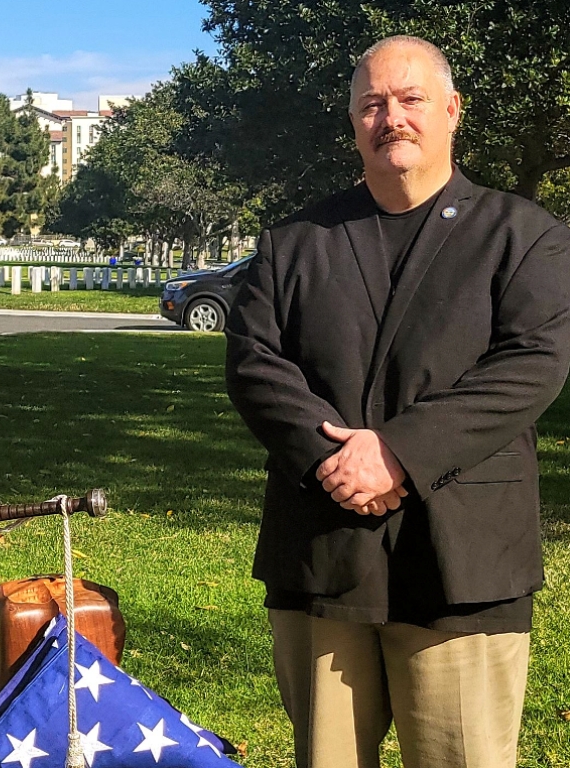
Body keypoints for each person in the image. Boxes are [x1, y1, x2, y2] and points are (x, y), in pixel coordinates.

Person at [225, 35, 570, 768]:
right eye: (373, 104)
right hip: (323, 549)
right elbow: (255, 363)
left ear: (452, 110)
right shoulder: (295, 242)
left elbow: (532, 364)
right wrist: (333, 460)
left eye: (411, 99)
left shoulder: (524, 237)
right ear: (353, 122)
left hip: (462, 563)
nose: (393, 118)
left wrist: (398, 453)